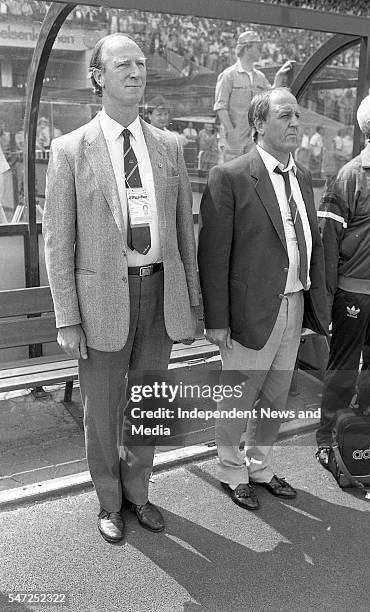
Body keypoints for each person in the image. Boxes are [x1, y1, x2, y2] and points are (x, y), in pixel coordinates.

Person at [43, 33, 199, 543]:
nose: (136, 71)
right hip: (100, 302)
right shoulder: (71, 150)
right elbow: (57, 241)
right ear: (98, 77)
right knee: (103, 406)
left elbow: (182, 237)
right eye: (122, 64)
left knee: (149, 401)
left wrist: (191, 302)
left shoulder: (170, 146)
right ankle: (109, 501)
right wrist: (67, 316)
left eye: (140, 63)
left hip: (160, 293)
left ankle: (139, 492)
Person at [198, 87, 329, 510]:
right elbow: (213, 256)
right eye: (285, 116)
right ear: (258, 124)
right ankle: (231, 470)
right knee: (238, 395)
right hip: (249, 312)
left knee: (275, 394)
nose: (295, 124)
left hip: (294, 304)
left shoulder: (303, 176)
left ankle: (260, 465)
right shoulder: (231, 176)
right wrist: (217, 319)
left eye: (297, 117)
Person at [315, 94, 370, 468]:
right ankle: (326, 438)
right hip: (353, 293)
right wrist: (327, 302)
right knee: (344, 368)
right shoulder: (349, 176)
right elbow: (327, 245)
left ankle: (360, 431)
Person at [214, 30, 294, 162]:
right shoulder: (228, 75)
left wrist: (278, 78)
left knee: (251, 175)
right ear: (247, 48)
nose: (260, 50)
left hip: (253, 138)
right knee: (230, 175)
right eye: (257, 47)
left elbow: (271, 95)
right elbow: (220, 106)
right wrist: (231, 131)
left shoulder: (259, 77)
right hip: (234, 140)